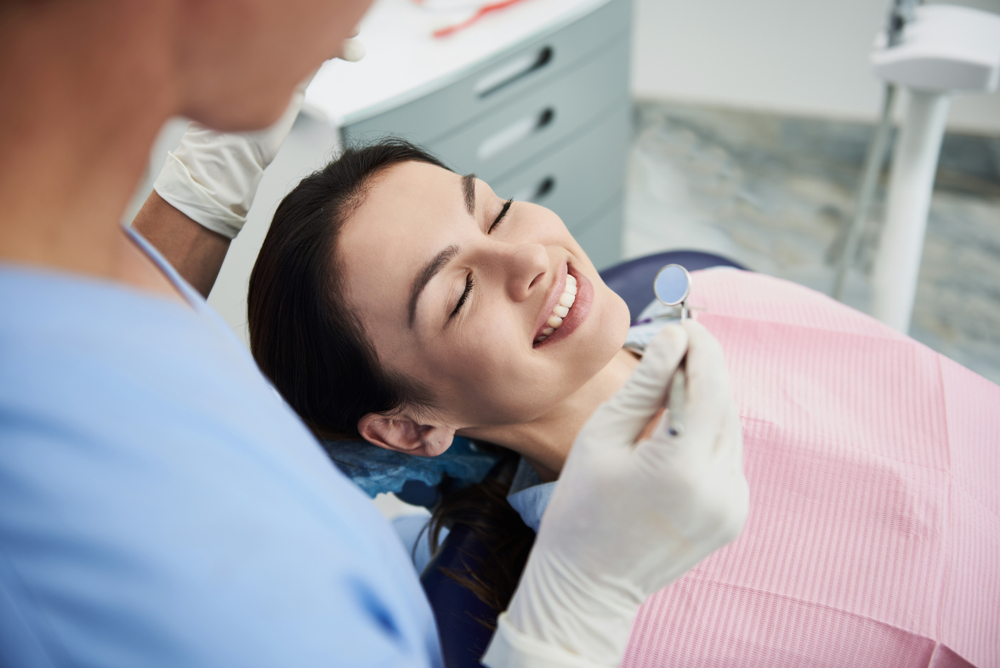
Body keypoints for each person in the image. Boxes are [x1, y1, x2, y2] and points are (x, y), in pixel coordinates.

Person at [0, 1, 749, 667]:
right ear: (406, 426)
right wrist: (570, 622)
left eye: (490, 210)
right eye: (455, 295)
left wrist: (202, 193)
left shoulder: (67, 290)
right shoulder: (107, 574)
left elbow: (141, 364)